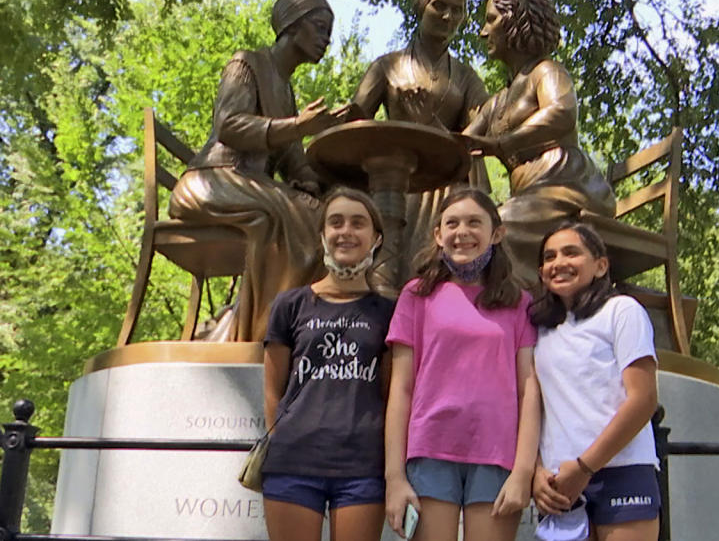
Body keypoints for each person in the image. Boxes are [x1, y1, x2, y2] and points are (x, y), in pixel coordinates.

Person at [169, 0, 353, 342]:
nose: (326, 39)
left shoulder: (285, 90)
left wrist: (319, 175)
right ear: (291, 26)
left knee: (325, 215)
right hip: (213, 181)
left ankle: (250, 326)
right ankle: (264, 333)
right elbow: (229, 125)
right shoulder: (246, 63)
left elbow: (290, 158)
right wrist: (298, 125)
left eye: (329, 31)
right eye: (319, 27)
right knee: (307, 217)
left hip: (248, 187)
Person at [383, 188, 540, 541]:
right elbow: (401, 388)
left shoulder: (519, 302)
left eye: (474, 222)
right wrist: (394, 476)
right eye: (451, 223)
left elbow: (529, 389)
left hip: (498, 455)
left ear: (496, 233)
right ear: (438, 234)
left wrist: (523, 471)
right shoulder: (416, 295)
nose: (462, 232)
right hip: (430, 450)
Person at [261, 187, 395, 541]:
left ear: (375, 237)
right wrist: (281, 440)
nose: (346, 231)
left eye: (358, 223)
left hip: (363, 466)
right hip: (293, 462)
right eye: (336, 223)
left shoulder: (389, 312)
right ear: (323, 235)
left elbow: (389, 391)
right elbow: (273, 390)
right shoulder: (289, 305)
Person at [462, 0, 616, 287]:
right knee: (468, 229)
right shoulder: (497, 102)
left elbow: (562, 112)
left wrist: (503, 144)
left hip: (566, 186)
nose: (482, 32)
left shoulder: (547, 72)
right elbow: (460, 144)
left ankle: (521, 307)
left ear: (516, 21)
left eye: (491, 20)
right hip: (530, 195)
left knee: (494, 229)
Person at [352, 0, 490, 282]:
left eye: (458, 10)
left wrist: (429, 122)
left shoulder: (467, 78)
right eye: (439, 6)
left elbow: (479, 139)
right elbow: (355, 124)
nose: (448, 16)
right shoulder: (387, 66)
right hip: (393, 178)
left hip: (445, 178)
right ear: (420, 8)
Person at [530, 222, 660, 541]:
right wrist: (535, 472)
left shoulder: (622, 311)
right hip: (558, 483)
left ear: (600, 265)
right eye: (549, 257)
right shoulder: (538, 329)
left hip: (622, 472)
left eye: (571, 253)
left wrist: (585, 467)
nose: (558, 262)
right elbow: (531, 406)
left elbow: (643, 399)